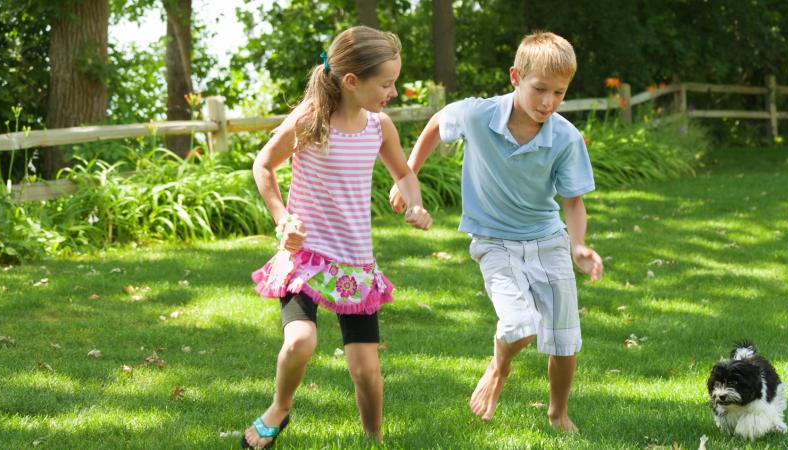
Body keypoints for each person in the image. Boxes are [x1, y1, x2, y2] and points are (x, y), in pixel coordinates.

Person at [389, 31, 602, 433]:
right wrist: (408, 175)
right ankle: (499, 368)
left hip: (547, 240)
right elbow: (437, 123)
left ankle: (557, 412)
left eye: (559, 93)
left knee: (565, 339)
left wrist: (578, 246)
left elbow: (573, 202)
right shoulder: (478, 115)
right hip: (494, 242)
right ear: (515, 77)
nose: (547, 103)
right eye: (540, 89)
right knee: (519, 325)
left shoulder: (566, 138)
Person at [244, 26, 431, 448]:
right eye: (386, 83)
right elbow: (263, 166)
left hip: (355, 263)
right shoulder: (311, 120)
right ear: (352, 81)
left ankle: (373, 438)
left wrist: (414, 203)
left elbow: (403, 173)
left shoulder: (379, 127)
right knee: (300, 341)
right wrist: (283, 219)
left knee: (367, 371)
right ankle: (280, 407)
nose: (394, 92)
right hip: (306, 256)